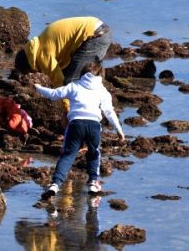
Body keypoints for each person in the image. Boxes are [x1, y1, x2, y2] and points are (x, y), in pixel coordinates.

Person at [35, 58, 125, 197]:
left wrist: (38, 88)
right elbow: (109, 112)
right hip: (94, 125)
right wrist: (119, 131)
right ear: (100, 75)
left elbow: (53, 95)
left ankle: (55, 184)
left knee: (68, 155)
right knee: (94, 153)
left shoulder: (74, 86)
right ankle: (93, 183)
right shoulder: (103, 91)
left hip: (76, 124)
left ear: (82, 74)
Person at [14, 16, 112, 112]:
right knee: (88, 77)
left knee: (71, 81)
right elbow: (64, 67)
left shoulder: (43, 55)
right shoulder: (39, 44)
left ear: (30, 64)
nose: (35, 72)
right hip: (100, 30)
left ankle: (77, 115)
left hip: (94, 37)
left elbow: (60, 82)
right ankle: (95, 108)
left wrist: (66, 109)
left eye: (31, 71)